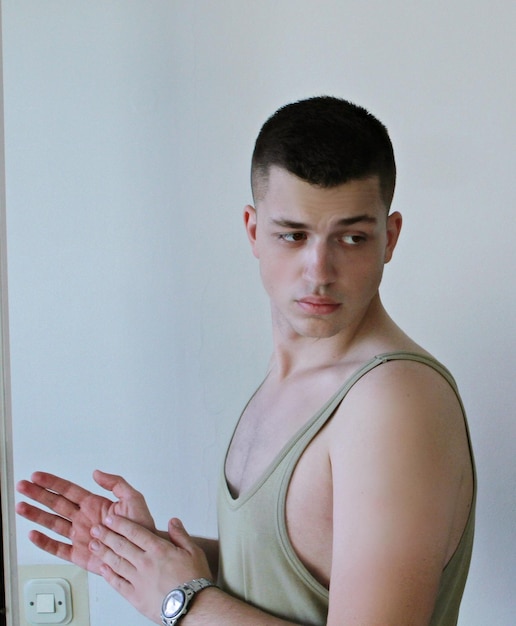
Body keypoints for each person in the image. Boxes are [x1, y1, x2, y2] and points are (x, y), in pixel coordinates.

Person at [16, 96, 475, 626]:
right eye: (293, 235)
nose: (319, 270)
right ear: (253, 230)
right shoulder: (294, 378)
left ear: (389, 238)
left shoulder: (393, 401)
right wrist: (142, 555)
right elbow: (286, 571)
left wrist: (181, 602)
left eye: (351, 238)